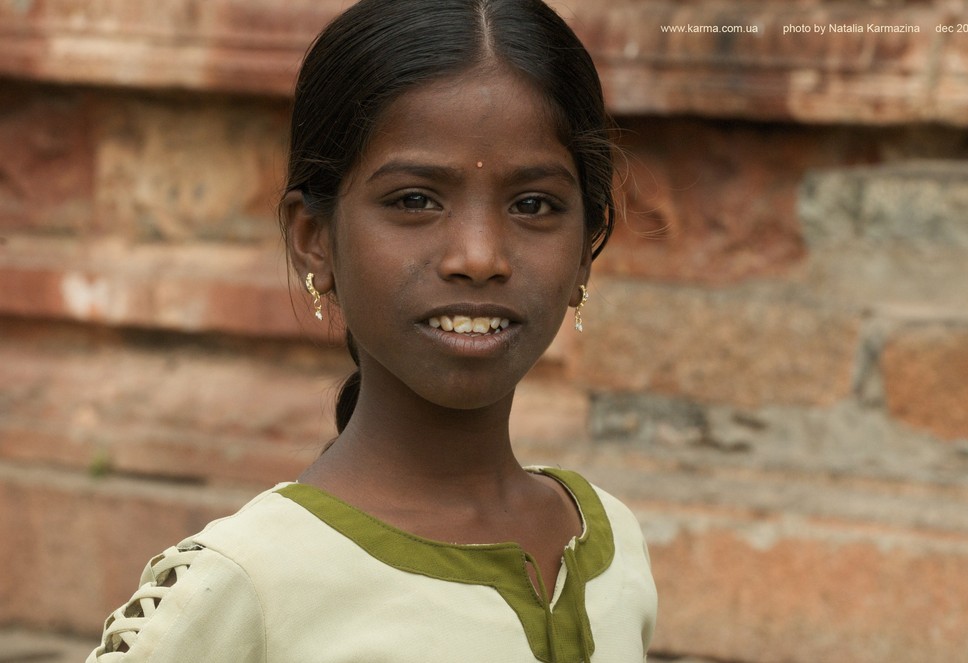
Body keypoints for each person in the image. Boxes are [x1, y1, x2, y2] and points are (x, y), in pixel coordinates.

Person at [87, 0, 658, 660]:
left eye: (533, 205)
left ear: (585, 249)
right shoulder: (251, 582)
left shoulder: (612, 542)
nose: (478, 256)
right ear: (315, 242)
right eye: (415, 200)